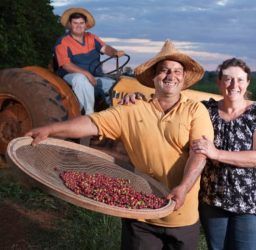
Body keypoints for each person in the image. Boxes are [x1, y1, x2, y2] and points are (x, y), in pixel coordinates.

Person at [26, 40, 214, 250]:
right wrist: (51, 130)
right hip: (141, 215)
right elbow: (92, 122)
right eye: (164, 70)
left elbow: (199, 153)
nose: (171, 76)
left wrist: (183, 187)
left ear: (184, 77)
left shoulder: (195, 110)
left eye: (177, 71)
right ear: (154, 77)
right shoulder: (131, 109)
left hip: (183, 217)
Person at [191, 58, 256, 250]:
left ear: (247, 83)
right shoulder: (206, 111)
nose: (234, 85)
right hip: (213, 200)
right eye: (228, 79)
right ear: (219, 82)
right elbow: (174, 108)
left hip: (249, 202)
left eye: (240, 80)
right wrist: (137, 99)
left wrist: (216, 153)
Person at [54, 7, 125, 115]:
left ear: (86, 25)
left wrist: (114, 52)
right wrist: (86, 74)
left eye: (81, 23)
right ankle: (88, 115)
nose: (78, 26)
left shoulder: (92, 38)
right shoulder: (63, 42)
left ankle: (114, 115)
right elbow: (66, 65)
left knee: (116, 85)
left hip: (95, 76)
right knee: (81, 79)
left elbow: (105, 48)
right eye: (75, 23)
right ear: (70, 24)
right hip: (72, 76)